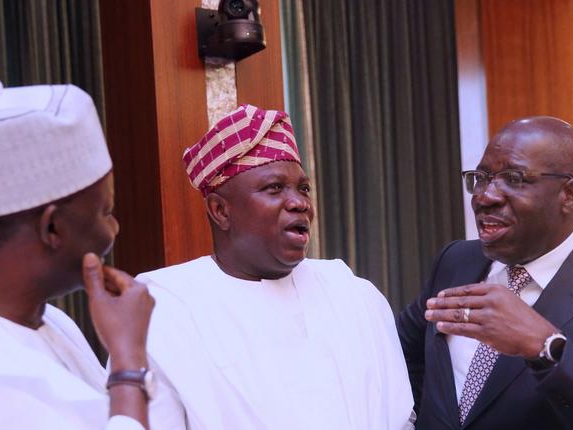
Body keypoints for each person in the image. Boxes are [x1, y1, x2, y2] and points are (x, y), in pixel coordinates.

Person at [137, 104, 415, 429]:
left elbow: (400, 419)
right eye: (274, 188)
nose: (300, 203)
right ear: (220, 211)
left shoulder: (352, 294)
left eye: (303, 188)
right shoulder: (166, 310)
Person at [0, 80, 156, 429]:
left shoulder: (49, 321)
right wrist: (128, 364)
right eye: (105, 211)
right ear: (52, 228)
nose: (115, 229)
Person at [397, 116, 573, 429]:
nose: (485, 196)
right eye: (481, 177)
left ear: (569, 194)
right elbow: (402, 355)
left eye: (514, 179)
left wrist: (545, 347)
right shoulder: (455, 260)